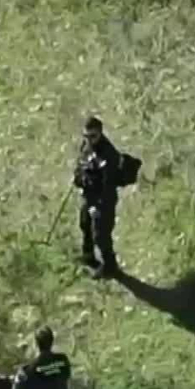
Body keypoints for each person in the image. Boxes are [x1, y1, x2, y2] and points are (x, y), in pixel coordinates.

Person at [73, 116, 125, 278]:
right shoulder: (86, 146)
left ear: (101, 133)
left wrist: (97, 206)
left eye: (93, 136)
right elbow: (81, 164)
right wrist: (78, 179)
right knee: (85, 224)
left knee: (101, 235)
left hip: (103, 201)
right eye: (86, 136)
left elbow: (108, 187)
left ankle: (111, 267)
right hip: (89, 196)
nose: (89, 140)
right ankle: (88, 256)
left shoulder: (109, 156)